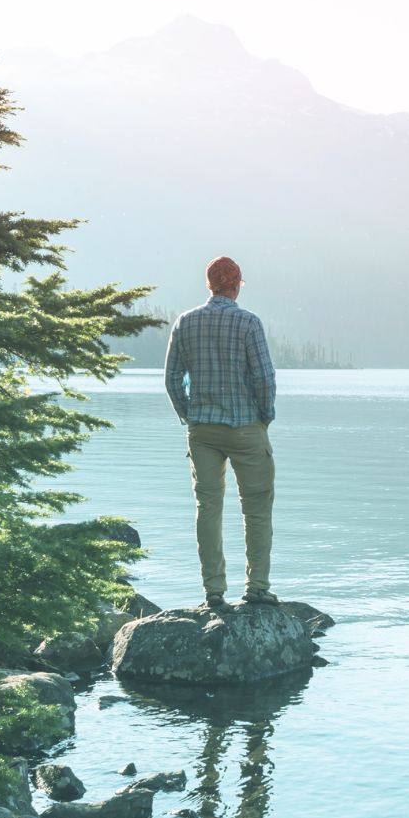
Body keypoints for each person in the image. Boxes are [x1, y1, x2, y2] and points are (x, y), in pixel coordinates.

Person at [164, 256, 278, 610]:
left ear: (209, 284)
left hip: (203, 431)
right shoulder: (248, 323)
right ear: (237, 283)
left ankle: (214, 592)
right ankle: (256, 587)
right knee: (256, 509)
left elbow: (171, 380)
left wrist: (191, 416)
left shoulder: (186, 322)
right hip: (246, 428)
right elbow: (264, 378)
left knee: (208, 508)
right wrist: (265, 417)